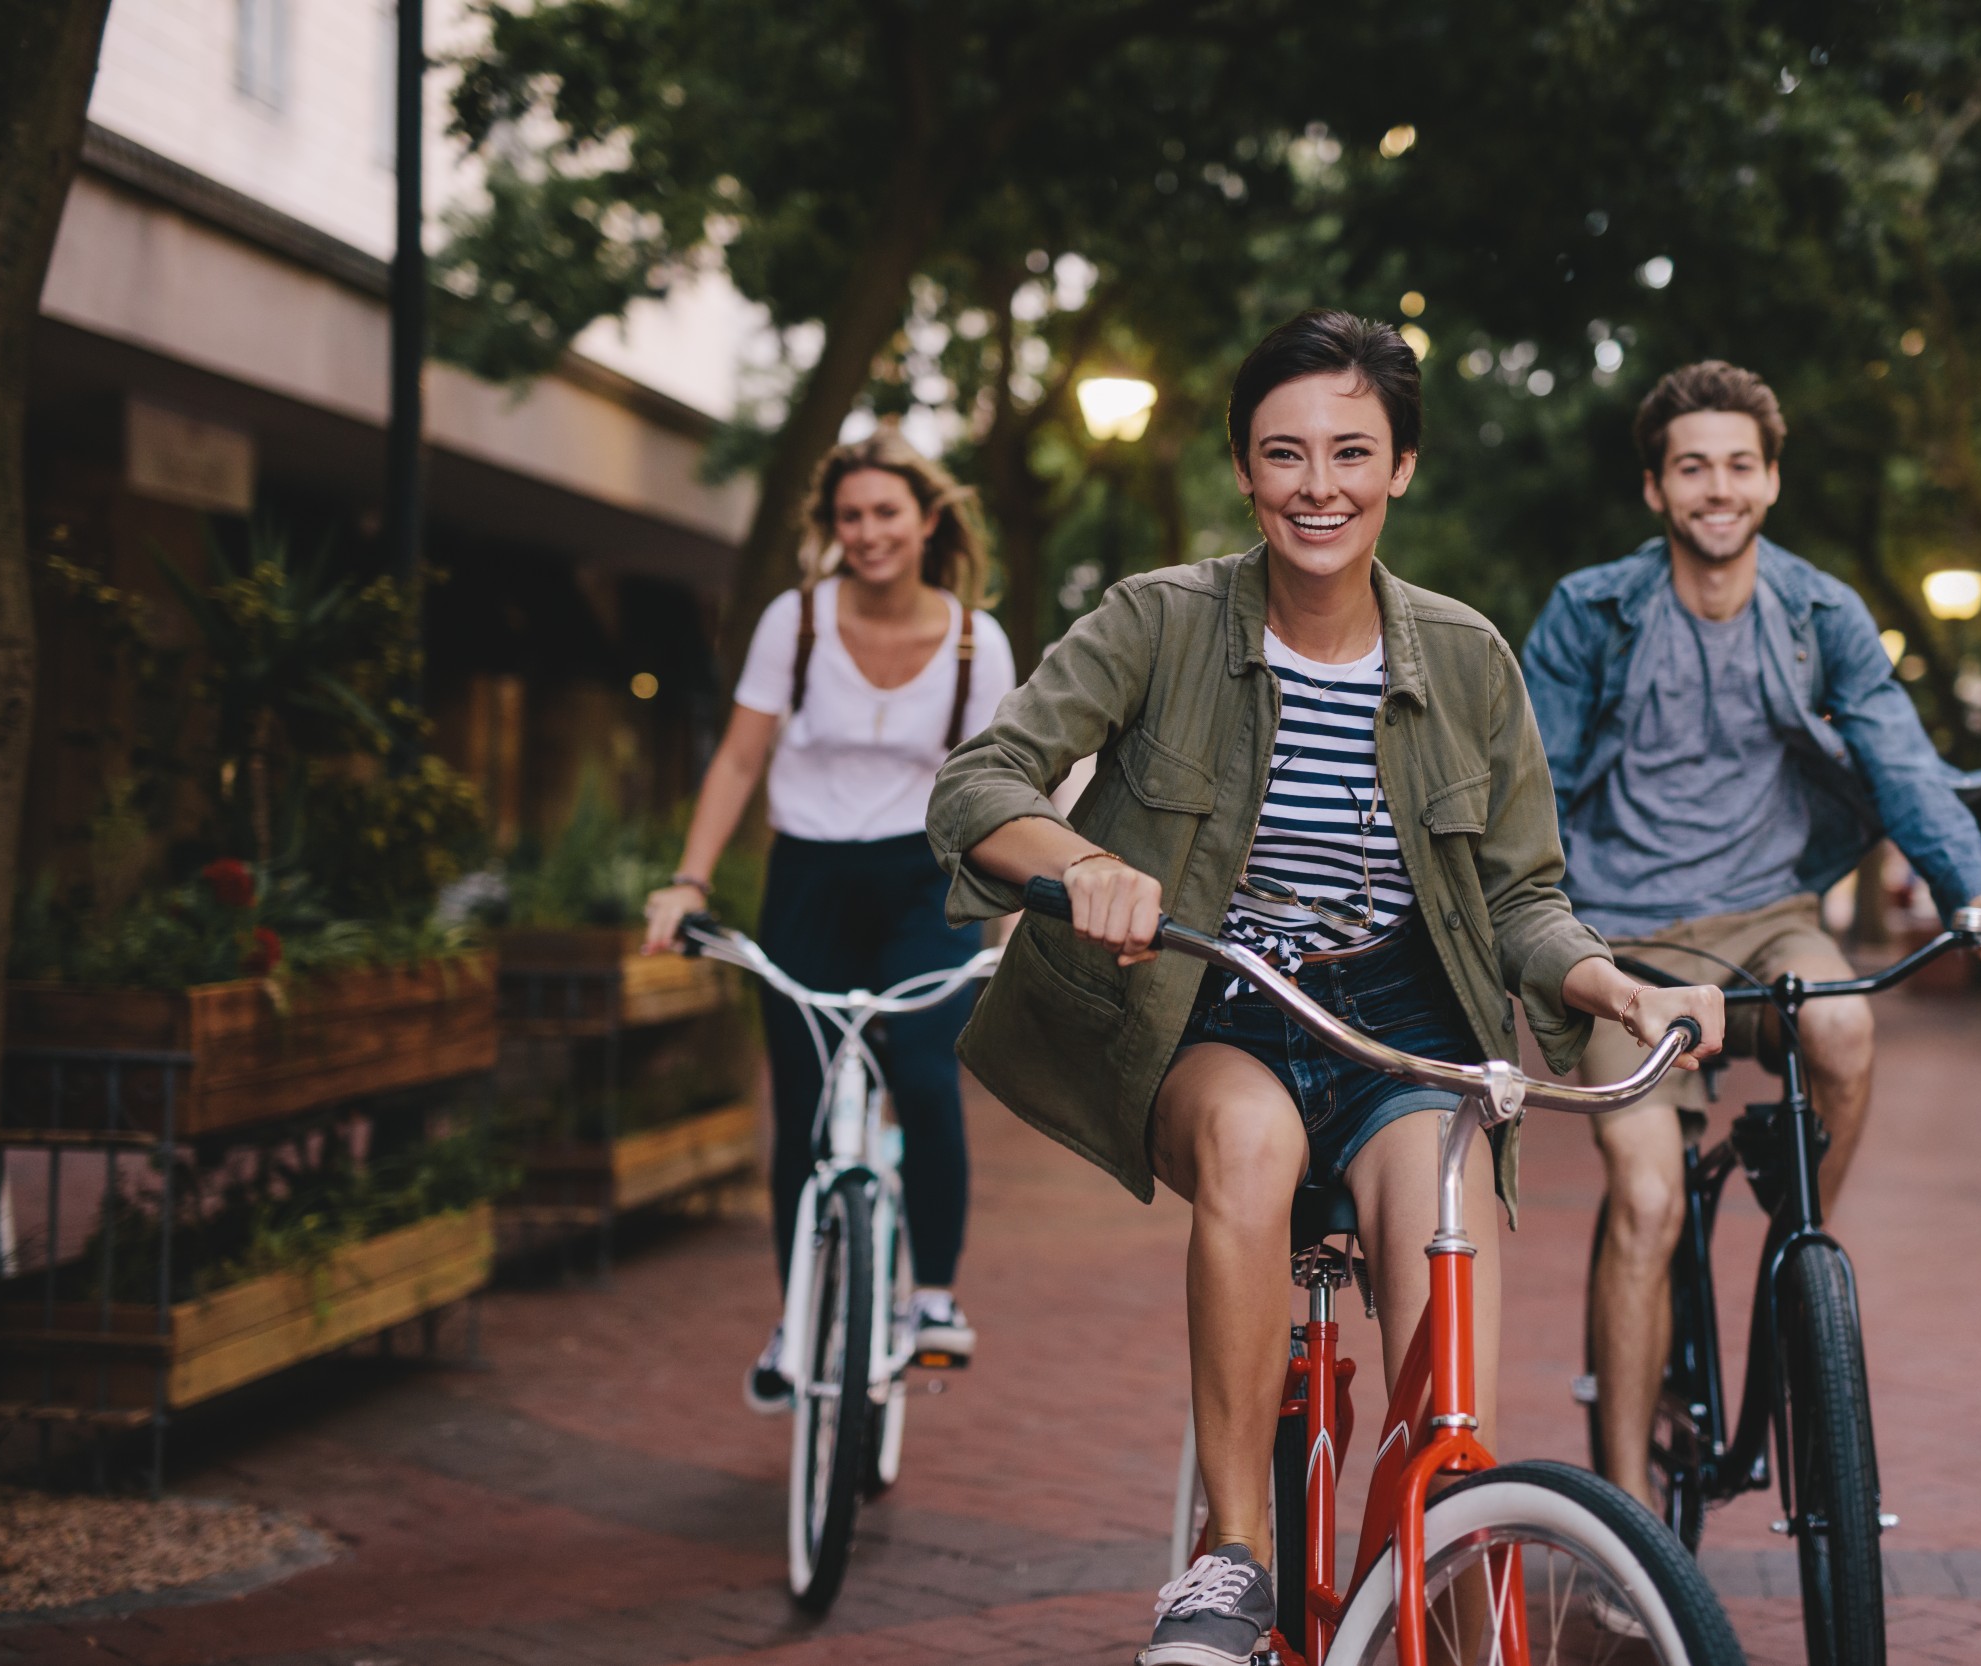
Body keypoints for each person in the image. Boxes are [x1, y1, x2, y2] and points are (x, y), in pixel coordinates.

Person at [927, 311, 1724, 1666]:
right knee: (1253, 1138)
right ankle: (1231, 1557)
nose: (1319, 484)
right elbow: (976, 787)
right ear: (1244, 469)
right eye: (1285, 453)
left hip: (1404, 1026)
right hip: (1215, 1005)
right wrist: (1081, 863)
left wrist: (1614, 982)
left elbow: (1525, 895)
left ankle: (1447, 1564)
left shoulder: (1468, 657)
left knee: (1438, 1302)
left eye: (1353, 451)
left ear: (1402, 466)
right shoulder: (1159, 618)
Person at [1520, 359, 1981, 1522]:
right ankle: (1623, 1524)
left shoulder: (1818, 615)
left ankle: (1790, 1262)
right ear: (1656, 490)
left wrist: (1977, 891)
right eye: (1692, 467)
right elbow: (1535, 795)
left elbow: (1902, 767)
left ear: (1771, 480)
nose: (1719, 488)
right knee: (1649, 1202)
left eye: (1740, 466)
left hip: (1769, 916)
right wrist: (1548, 941)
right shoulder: (1590, 613)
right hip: (1623, 939)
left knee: (1849, 1026)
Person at [643, 429, 1015, 1407]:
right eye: (849, 516)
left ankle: (931, 1295)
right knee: (803, 1109)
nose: (867, 532)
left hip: (924, 880)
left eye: (886, 512)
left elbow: (1009, 787)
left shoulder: (977, 639)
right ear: (832, 526)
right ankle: (797, 1314)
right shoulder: (794, 623)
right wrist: (688, 878)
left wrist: (1016, 917)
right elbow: (736, 760)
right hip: (806, 878)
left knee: (926, 1072)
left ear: (926, 520)